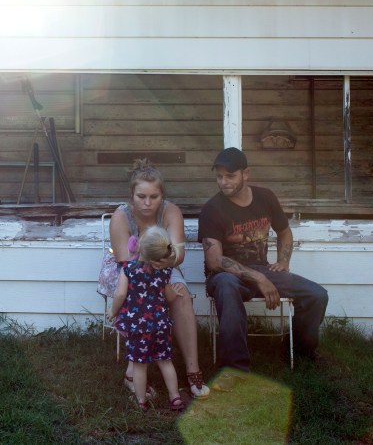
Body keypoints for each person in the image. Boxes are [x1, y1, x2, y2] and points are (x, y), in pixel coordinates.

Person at [198, 147, 329, 371]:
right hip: (225, 276)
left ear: (245, 174)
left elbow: (285, 232)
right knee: (226, 286)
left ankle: (300, 350)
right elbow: (215, 260)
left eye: (230, 176)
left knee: (317, 295)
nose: (223, 182)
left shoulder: (265, 198)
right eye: (219, 177)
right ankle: (235, 368)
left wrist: (283, 262)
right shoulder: (213, 209)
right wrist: (259, 277)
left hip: (262, 269)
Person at [109, 159, 210, 399]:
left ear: (161, 195)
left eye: (154, 197)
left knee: (181, 295)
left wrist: (164, 265)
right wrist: (152, 275)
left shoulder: (170, 211)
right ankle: (133, 371)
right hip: (129, 268)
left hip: (164, 266)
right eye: (141, 196)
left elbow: (178, 254)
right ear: (131, 195)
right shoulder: (121, 217)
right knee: (138, 303)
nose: (147, 203)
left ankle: (193, 370)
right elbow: (125, 263)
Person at [109, 225, 188, 412]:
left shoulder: (128, 269)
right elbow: (169, 298)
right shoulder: (164, 272)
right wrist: (174, 292)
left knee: (139, 365)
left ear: (140, 246)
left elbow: (120, 295)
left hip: (138, 327)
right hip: (160, 325)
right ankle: (175, 397)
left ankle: (141, 401)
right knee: (165, 361)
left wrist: (112, 312)